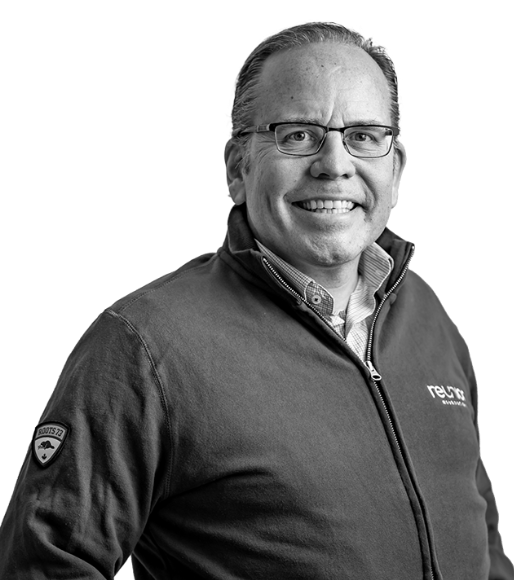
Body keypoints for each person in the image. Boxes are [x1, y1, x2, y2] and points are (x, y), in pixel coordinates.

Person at [0, 21, 512, 580]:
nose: (335, 164)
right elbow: (42, 566)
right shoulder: (146, 346)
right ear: (237, 169)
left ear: (395, 167)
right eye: (298, 135)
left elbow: (484, 542)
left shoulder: (427, 315)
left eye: (365, 136)